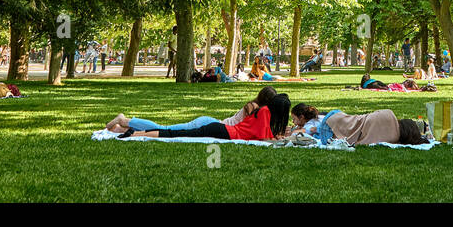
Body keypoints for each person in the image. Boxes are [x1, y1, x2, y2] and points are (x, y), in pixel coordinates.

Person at [108, 87, 282, 134]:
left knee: (165, 129)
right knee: (165, 129)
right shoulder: (254, 109)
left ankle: (122, 129)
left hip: (211, 123)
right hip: (209, 124)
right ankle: (125, 120)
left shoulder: (254, 106)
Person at [122, 92, 291, 141]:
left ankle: (134, 132)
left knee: (172, 132)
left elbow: (263, 134)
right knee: (170, 131)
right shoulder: (263, 112)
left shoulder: (262, 111)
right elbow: (262, 138)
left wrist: (279, 134)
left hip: (219, 126)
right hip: (221, 129)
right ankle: (130, 126)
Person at [290, 104, 427, 146]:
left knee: (316, 132)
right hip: (333, 123)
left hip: (335, 117)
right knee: (318, 134)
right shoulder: (393, 137)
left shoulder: (388, 114)